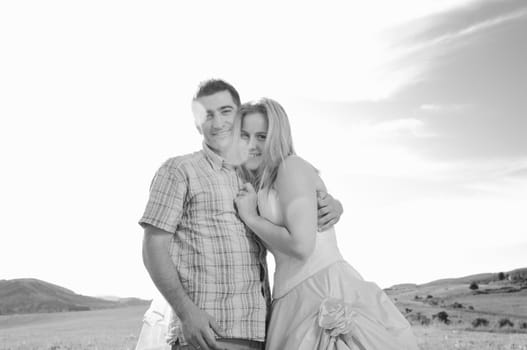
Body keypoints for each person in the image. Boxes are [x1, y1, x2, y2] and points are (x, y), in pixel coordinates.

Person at [138, 79, 344, 350]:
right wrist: (187, 313)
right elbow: (153, 247)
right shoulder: (179, 170)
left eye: (225, 111)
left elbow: (293, 219)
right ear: (196, 123)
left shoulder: (255, 181)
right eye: (206, 114)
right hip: (209, 333)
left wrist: (331, 203)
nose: (217, 122)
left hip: (261, 332)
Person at [233, 98, 420, 350]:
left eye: (261, 136)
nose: (252, 145)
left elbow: (301, 245)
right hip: (289, 296)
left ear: (277, 137)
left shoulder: (290, 167)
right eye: (245, 136)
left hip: (320, 289)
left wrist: (251, 218)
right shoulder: (259, 181)